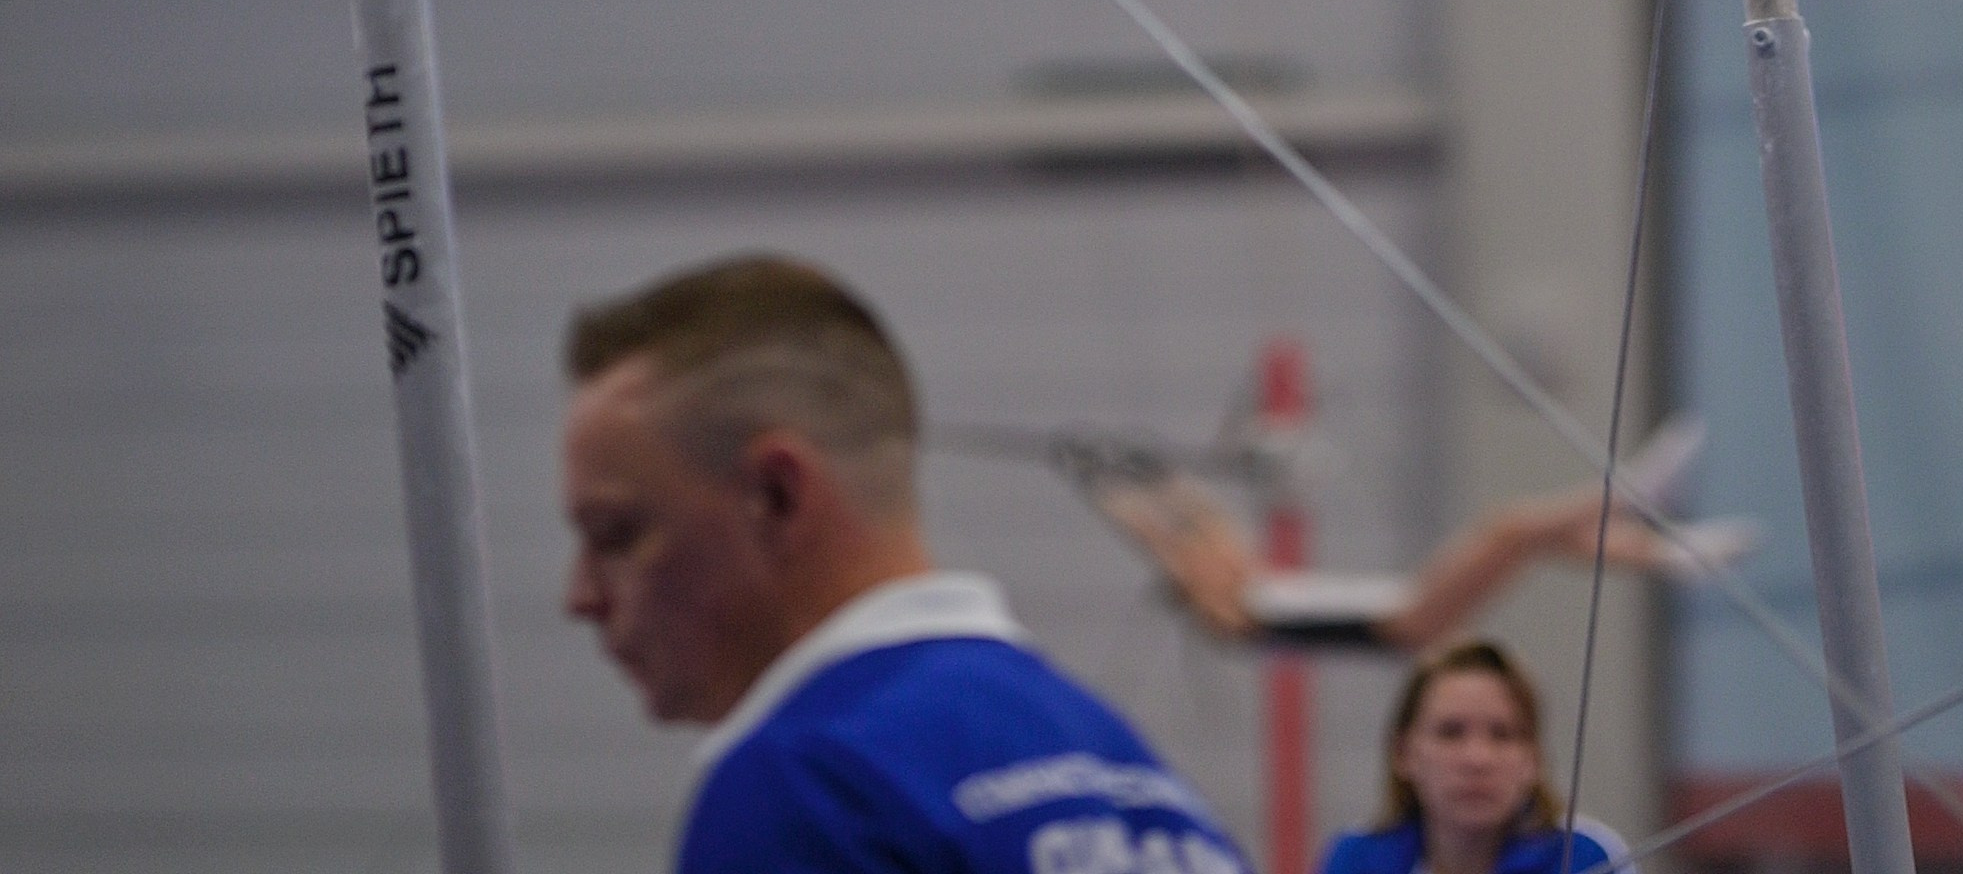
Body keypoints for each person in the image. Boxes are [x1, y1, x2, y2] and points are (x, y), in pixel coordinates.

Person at [560, 251, 1254, 874]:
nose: (581, 596)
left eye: (618, 533)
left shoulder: (808, 785)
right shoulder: (1123, 771)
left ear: (775, 496)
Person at [1072, 436, 1754, 652]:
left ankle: (1672, 557)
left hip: (1411, 604)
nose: (1222, 547)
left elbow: (1202, 518)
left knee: (1528, 541)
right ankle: (1627, 497)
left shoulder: (1242, 577)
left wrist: (1139, 472)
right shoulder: (1227, 613)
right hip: (1404, 619)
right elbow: (1170, 545)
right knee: (1508, 527)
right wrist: (1109, 495)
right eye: (1204, 558)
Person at [1319, 637, 1626, 874]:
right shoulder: (1354, 860)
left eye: (1502, 734)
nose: (1477, 759)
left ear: (1533, 760)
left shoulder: (1588, 860)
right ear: (1403, 754)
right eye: (1450, 732)